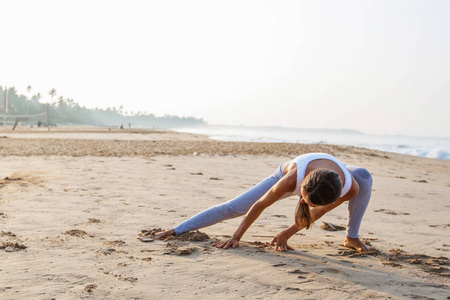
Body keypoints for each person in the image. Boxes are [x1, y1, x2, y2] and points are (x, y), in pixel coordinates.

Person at [152, 153, 373, 253]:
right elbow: (259, 205)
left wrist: (288, 232)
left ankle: (350, 237)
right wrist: (236, 237)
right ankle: (178, 228)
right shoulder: (290, 180)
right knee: (236, 207)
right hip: (290, 172)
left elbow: (317, 213)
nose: (302, 202)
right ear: (301, 187)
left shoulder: (348, 188)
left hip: (331, 180)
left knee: (363, 176)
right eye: (303, 198)